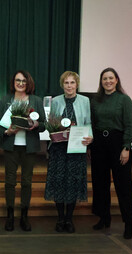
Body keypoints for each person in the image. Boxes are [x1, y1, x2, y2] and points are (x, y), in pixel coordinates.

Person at [0, 70, 46, 231]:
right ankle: (10, 216)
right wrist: (7, 132)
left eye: (24, 81)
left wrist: (37, 125)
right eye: (18, 80)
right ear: (13, 82)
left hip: (29, 147)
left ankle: (24, 216)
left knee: (27, 181)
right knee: (10, 181)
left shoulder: (36, 101)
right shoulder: (5, 100)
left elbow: (44, 124)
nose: (21, 83)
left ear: (28, 83)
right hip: (11, 146)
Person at [44, 71, 93, 233]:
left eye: (72, 83)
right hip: (58, 148)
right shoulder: (56, 101)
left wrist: (90, 137)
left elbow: (89, 123)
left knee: (73, 181)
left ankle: (69, 219)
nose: (69, 86)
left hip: (77, 148)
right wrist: (51, 131)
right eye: (66, 83)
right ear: (62, 85)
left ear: (77, 84)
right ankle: (59, 219)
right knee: (58, 181)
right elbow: (50, 122)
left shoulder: (85, 101)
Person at [91, 67, 132, 239]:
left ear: (116, 80)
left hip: (119, 144)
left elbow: (130, 125)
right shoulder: (95, 100)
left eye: (111, 78)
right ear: (101, 82)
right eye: (104, 79)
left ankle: (128, 223)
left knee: (123, 185)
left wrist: (126, 148)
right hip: (99, 144)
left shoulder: (124, 100)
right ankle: (104, 217)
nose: (107, 81)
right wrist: (91, 146)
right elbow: (93, 125)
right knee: (100, 183)